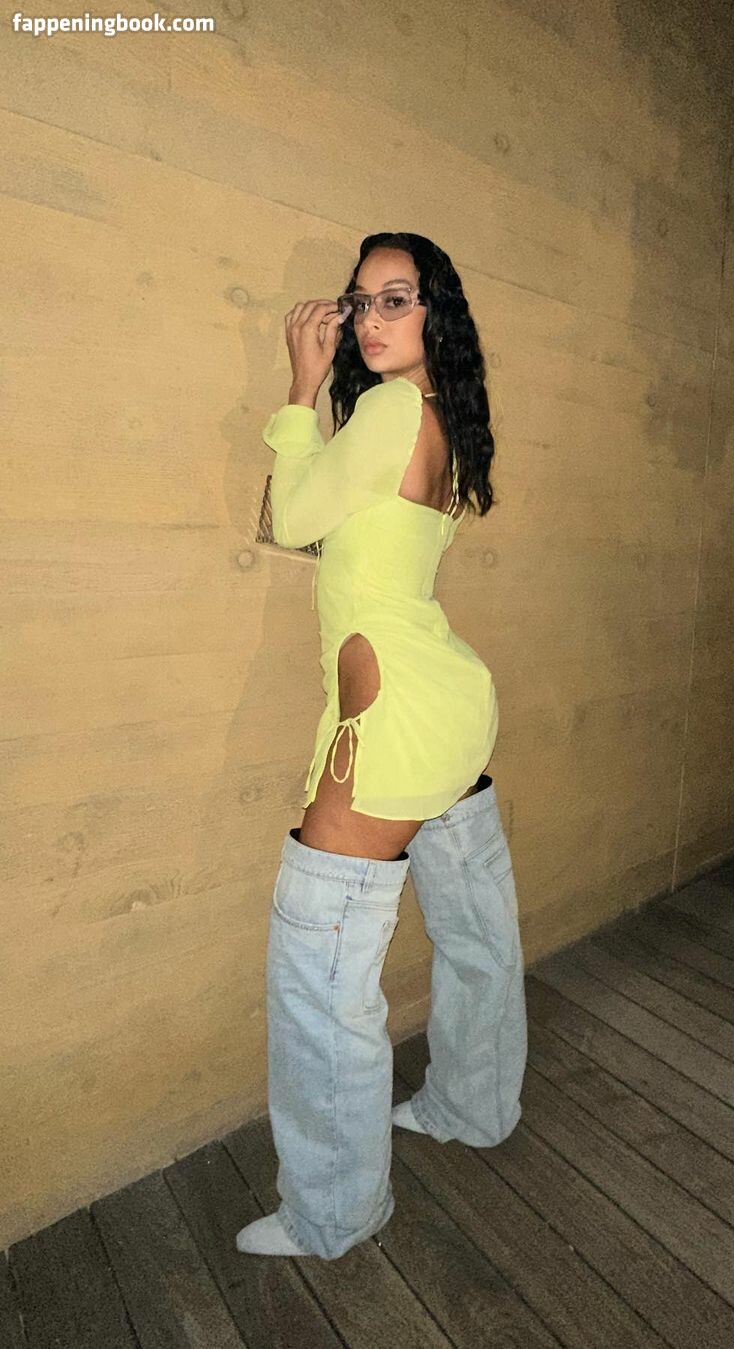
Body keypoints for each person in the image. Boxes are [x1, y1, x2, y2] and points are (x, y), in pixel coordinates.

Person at [235, 233, 527, 1260]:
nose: (368, 318)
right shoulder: (444, 416)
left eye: (395, 298)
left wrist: (301, 386)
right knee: (476, 933)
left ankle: (335, 1210)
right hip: (447, 704)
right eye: (360, 301)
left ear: (434, 311)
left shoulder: (391, 409)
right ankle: (475, 1105)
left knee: (318, 974)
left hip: (394, 720)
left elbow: (294, 515)